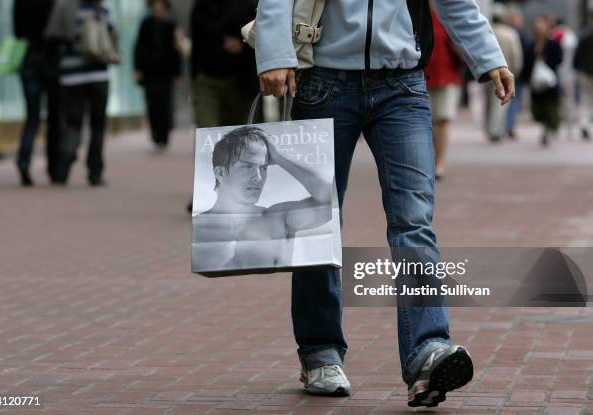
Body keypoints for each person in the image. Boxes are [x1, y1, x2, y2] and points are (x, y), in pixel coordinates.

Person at [256, 0, 515, 408]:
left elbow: (455, 2)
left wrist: (489, 57)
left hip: (403, 86)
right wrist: (274, 54)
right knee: (316, 221)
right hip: (322, 82)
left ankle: (427, 353)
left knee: (414, 221)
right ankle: (320, 351)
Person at [192, 126, 332, 271]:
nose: (258, 178)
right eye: (247, 167)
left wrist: (280, 156)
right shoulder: (197, 227)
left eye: (264, 168)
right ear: (220, 173)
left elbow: (330, 199)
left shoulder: (277, 218)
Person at [187, 0, 258, 212]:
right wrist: (194, 79)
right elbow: (197, 44)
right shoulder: (201, 7)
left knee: (238, 140)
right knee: (207, 136)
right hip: (207, 80)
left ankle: (236, 196)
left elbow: (261, 36)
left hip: (240, 82)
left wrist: (241, 43)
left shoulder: (249, 5)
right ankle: (206, 194)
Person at [45, 0, 117, 186]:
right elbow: (111, 37)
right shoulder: (101, 10)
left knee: (72, 124)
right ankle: (95, 172)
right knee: (98, 125)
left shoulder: (63, 7)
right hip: (99, 74)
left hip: (72, 76)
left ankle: (63, 167)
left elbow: (51, 37)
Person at [13, 0, 60, 186]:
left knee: (32, 117)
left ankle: (24, 160)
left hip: (29, 62)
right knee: (54, 116)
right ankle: (54, 166)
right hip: (51, 62)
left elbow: (17, 33)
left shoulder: (20, 3)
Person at [134, 0, 182, 151]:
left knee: (165, 104)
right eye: (156, 8)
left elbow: (176, 52)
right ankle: (155, 133)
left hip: (166, 73)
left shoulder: (171, 25)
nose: (158, 11)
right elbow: (138, 47)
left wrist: (176, 73)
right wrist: (138, 69)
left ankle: (164, 136)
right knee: (152, 103)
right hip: (149, 72)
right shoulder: (145, 24)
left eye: (161, 8)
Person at [425, 3, 464, 180]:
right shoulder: (415, 15)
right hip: (421, 78)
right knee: (428, 123)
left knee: (443, 119)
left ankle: (439, 163)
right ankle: (430, 161)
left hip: (446, 76)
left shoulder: (446, 17)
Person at [484, 4, 523, 143]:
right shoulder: (510, 33)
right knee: (499, 102)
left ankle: (488, 128)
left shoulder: (487, 31)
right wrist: (515, 71)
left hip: (486, 72)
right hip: (505, 72)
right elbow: (516, 55)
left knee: (488, 102)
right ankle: (495, 130)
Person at [526, 15, 563, 147]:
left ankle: (549, 129)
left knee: (550, 107)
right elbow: (527, 62)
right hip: (535, 83)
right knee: (537, 110)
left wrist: (545, 60)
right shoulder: (531, 43)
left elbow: (559, 60)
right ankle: (547, 125)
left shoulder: (553, 43)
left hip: (549, 82)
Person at [506, 6, 534, 140]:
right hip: (515, 72)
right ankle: (509, 125)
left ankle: (505, 125)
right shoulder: (519, 35)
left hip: (506, 71)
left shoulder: (505, 32)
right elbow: (522, 56)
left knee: (506, 100)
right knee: (514, 100)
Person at [573, 11, 593, 141]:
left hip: (586, 72)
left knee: (585, 100)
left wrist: (577, 68)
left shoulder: (585, 35)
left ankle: (584, 125)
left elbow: (577, 56)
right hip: (586, 72)